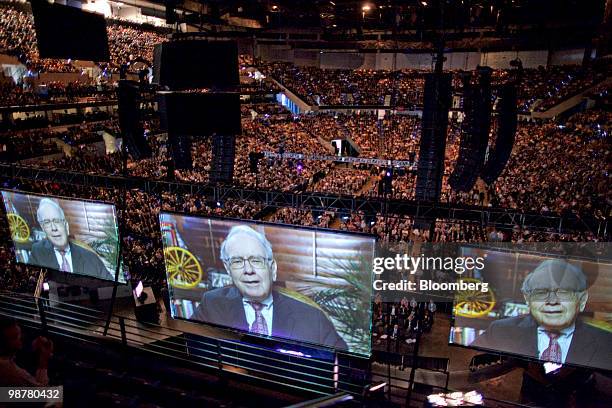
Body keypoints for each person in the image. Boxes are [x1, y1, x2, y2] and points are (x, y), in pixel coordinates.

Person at [192, 225, 348, 350]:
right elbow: (192, 347)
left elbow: (342, 366)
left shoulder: (313, 319)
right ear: (228, 269)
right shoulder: (212, 303)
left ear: (273, 269)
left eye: (256, 260)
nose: (248, 270)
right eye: (238, 261)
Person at [472, 259, 612, 370]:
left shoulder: (607, 344)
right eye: (541, 292)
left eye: (563, 292)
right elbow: (467, 366)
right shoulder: (500, 331)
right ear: (528, 299)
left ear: (582, 300)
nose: (552, 301)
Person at [29, 198, 114, 281]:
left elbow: (112, 287)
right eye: (47, 222)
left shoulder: (91, 258)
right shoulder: (37, 251)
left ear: (66, 226)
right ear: (43, 228)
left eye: (57, 221)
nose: (53, 228)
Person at [0, 317, 53, 386]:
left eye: (20, 334)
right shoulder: (9, 370)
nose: (21, 338)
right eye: (15, 337)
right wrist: (44, 359)